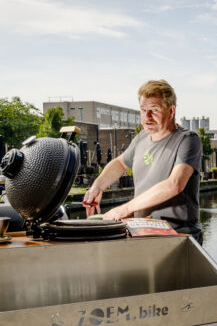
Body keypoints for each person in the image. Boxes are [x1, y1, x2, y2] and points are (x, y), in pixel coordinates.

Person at [83, 79, 203, 244]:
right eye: (143, 110)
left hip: (179, 237)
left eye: (154, 110)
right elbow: (119, 163)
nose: (147, 117)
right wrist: (98, 186)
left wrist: (125, 208)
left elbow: (174, 184)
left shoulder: (188, 140)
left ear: (171, 110)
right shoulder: (141, 139)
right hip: (143, 234)